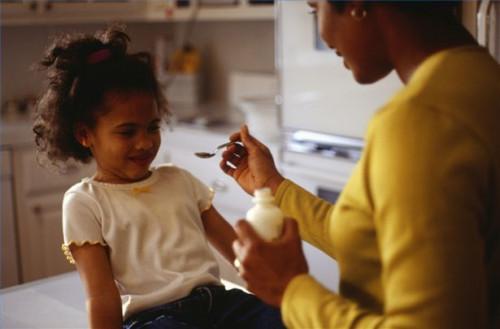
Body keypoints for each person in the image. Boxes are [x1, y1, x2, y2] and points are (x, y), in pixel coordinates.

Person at [220, 1, 500, 328]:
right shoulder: (483, 80)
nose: (322, 34)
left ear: (357, 6)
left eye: (315, 10)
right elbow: (375, 241)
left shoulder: (420, 121)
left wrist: (289, 290)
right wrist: (273, 188)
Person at [32, 26, 284, 329]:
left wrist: (278, 295)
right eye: (127, 132)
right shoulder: (85, 202)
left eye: (152, 127)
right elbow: (101, 297)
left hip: (219, 304)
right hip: (154, 320)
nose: (145, 142)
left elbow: (239, 253)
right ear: (85, 134)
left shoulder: (181, 181)